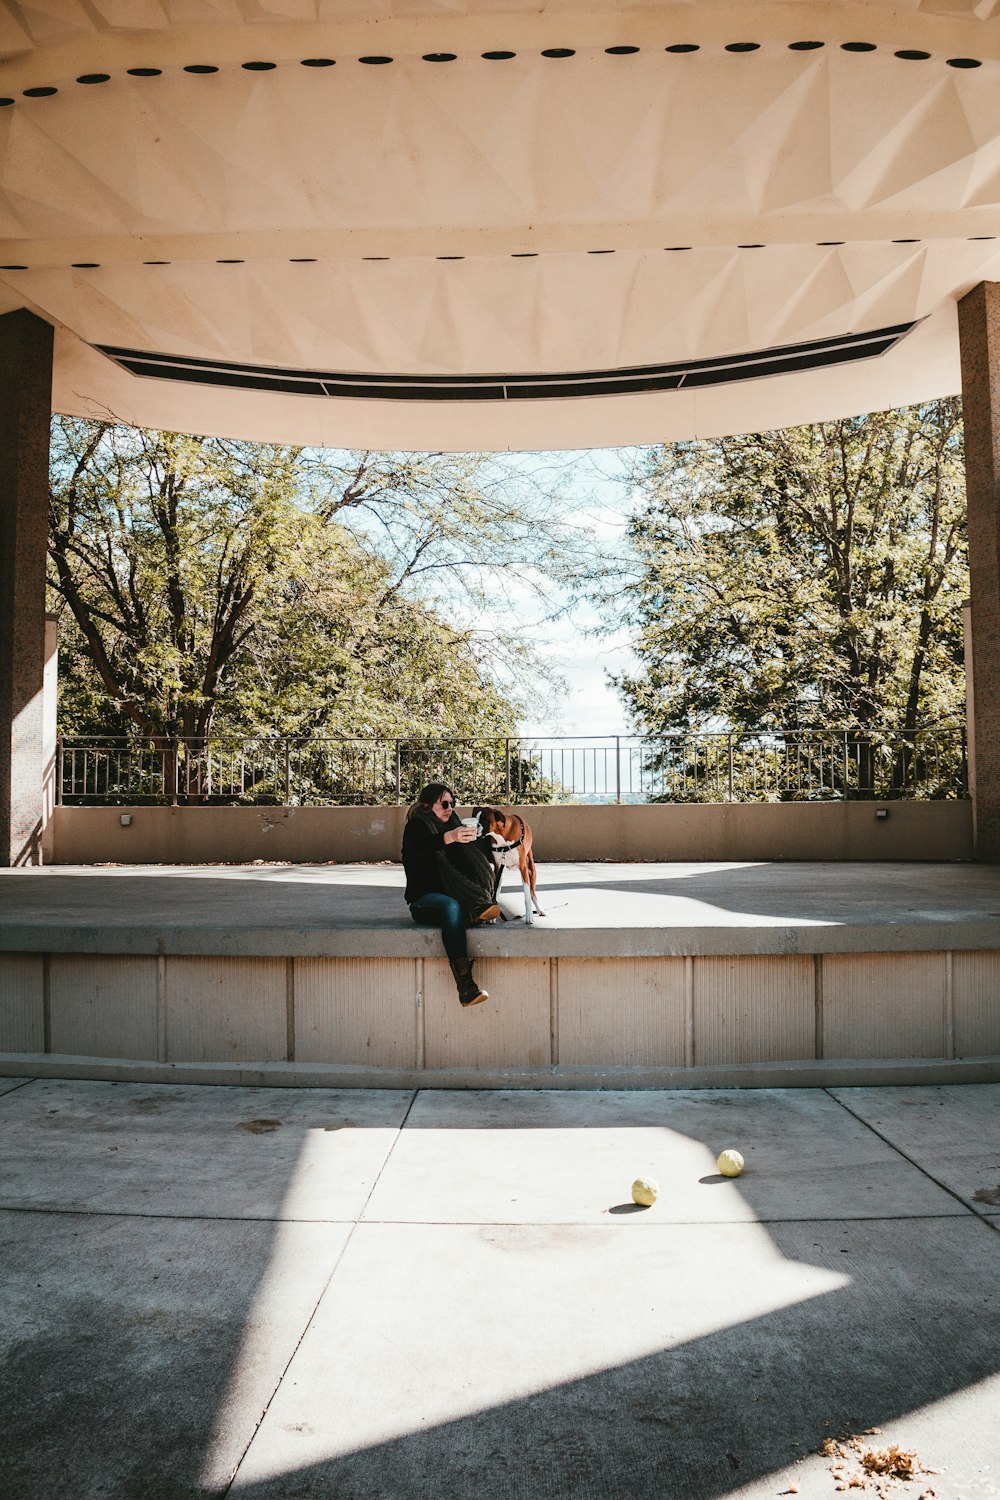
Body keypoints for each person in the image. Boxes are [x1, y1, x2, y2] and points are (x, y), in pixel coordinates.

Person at [402, 783, 501, 1007]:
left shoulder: (454, 825)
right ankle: (465, 986)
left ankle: (475, 911)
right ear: (427, 806)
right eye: (443, 804)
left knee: (457, 903)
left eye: (452, 803)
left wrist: (476, 841)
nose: (449, 808)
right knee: (452, 907)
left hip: (453, 897)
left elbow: (467, 866)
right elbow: (422, 849)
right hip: (423, 901)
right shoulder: (417, 827)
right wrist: (450, 838)